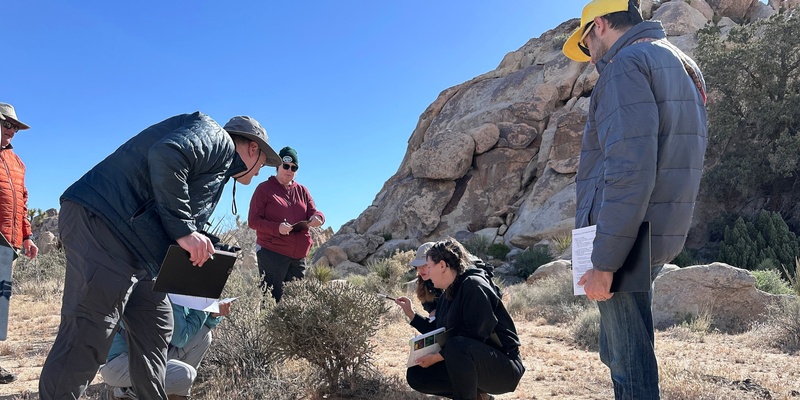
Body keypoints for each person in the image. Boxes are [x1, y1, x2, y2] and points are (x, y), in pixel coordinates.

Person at [39, 113, 281, 399]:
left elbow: (175, 209)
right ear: (253, 149)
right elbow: (167, 154)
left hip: (136, 248)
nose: (258, 173)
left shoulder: (219, 168)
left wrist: (202, 248)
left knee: (156, 321)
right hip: (105, 222)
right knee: (90, 329)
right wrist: (185, 231)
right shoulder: (215, 136)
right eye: (263, 164)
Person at [562, 1, 708, 399]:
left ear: (602, 24)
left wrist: (605, 261)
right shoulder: (680, 63)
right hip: (654, 231)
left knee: (629, 366)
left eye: (586, 42)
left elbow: (629, 170)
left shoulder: (625, 65)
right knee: (623, 350)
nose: (589, 55)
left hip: (625, 239)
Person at [399, 238, 525, 400]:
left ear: (442, 266)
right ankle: (479, 397)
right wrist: (411, 314)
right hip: (470, 359)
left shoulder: (474, 285)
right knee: (417, 375)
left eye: (429, 267)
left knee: (456, 346)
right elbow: (439, 331)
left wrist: (437, 357)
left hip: (504, 368)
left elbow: (476, 334)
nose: (427, 273)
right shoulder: (448, 293)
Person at [100, 299, 232, 400]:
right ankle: (124, 392)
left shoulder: (183, 292)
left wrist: (212, 315)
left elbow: (191, 330)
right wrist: (204, 305)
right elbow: (180, 338)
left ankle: (175, 395)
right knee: (185, 374)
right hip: (120, 363)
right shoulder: (168, 291)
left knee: (204, 336)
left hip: (151, 356)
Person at [248, 146, 325, 301]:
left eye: (293, 167)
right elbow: (253, 221)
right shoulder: (264, 189)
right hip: (272, 254)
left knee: (296, 304)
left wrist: (319, 218)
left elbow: (314, 211)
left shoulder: (302, 191)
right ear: (278, 166)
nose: (289, 170)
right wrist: (277, 228)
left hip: (298, 258)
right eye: (285, 165)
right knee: (272, 302)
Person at [0, 102, 38, 384]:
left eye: (14, 127)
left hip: (7, 244)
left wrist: (27, 236)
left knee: (0, 304)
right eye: (7, 124)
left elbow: (21, 203)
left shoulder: (17, 162)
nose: (12, 131)